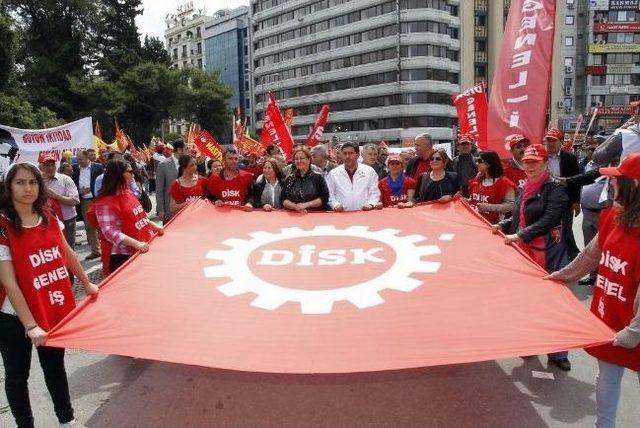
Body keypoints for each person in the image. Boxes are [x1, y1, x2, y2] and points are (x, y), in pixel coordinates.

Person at [0, 162, 98, 428]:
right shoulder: (2, 226)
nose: (28, 188)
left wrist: (87, 283)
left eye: (32, 182)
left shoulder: (50, 216)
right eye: (20, 182)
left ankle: (66, 419)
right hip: (14, 316)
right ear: (8, 187)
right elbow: (9, 282)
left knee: (55, 368)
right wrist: (30, 325)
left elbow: (67, 252)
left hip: (50, 309)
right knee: (17, 375)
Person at [546, 153, 640, 427]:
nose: (610, 183)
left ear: (633, 186)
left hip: (632, 326)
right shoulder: (613, 216)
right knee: (606, 377)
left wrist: (633, 333)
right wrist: (562, 276)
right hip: (609, 316)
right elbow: (591, 255)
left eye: (617, 179)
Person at [494, 143, 571, 371]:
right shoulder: (524, 186)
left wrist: (520, 235)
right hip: (524, 251)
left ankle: (558, 352)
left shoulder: (555, 188)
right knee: (525, 299)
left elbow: (549, 219)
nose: (530, 166)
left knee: (553, 303)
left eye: (535, 162)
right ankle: (530, 341)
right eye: (527, 161)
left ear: (546, 162)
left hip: (548, 252)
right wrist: (504, 224)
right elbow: (520, 215)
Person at [93, 159, 163, 274]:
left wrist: (154, 226)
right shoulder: (104, 202)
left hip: (142, 248)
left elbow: (139, 217)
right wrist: (136, 244)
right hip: (123, 256)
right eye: (129, 172)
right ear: (118, 175)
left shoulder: (128, 193)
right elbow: (109, 231)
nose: (133, 174)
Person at [544, 127, 581, 261]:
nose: (550, 144)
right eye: (548, 140)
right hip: (545, 199)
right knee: (548, 228)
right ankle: (553, 254)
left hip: (565, 199)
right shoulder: (541, 157)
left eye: (553, 140)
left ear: (560, 141)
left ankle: (572, 255)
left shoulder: (570, 158)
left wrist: (576, 201)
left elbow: (576, 181)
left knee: (565, 228)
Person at [38, 152, 80, 250]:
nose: (50, 168)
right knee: (52, 249)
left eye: (52, 165)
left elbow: (75, 201)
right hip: (45, 220)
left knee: (69, 248)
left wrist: (56, 196)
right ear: (40, 167)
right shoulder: (36, 181)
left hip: (67, 219)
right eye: (47, 165)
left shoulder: (65, 179)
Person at [327, 142, 380, 211]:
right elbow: (329, 195)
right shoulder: (333, 173)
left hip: (364, 214)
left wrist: (370, 204)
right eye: (344, 153)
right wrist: (335, 205)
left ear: (357, 155)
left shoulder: (369, 171)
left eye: (350, 153)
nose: (347, 156)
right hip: (342, 215)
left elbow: (374, 193)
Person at [467, 151, 515, 224]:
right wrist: (468, 201)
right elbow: (473, 198)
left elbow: (510, 206)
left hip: (493, 226)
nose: (477, 163)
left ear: (488, 164)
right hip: (474, 223)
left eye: (479, 161)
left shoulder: (505, 183)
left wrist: (488, 207)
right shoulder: (477, 180)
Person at [72, 150, 104, 260]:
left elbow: (103, 182)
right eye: (77, 159)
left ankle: (106, 250)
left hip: (98, 200)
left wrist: (92, 189)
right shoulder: (75, 170)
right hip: (85, 201)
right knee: (89, 226)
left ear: (87, 158)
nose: (78, 161)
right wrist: (79, 192)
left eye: (80, 159)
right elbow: (74, 184)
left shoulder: (98, 167)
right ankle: (96, 251)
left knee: (102, 224)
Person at [282, 146, 329, 212]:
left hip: (315, 215)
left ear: (309, 160)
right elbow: (283, 199)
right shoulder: (290, 178)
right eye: (296, 159)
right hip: (294, 215)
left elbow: (324, 198)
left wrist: (307, 205)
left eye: (301, 158)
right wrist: (295, 206)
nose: (299, 161)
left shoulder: (318, 177)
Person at [156, 140, 185, 223]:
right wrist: (161, 210)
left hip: (186, 208)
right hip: (170, 210)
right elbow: (159, 189)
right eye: (187, 149)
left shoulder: (188, 163)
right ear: (180, 150)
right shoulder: (163, 165)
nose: (189, 151)